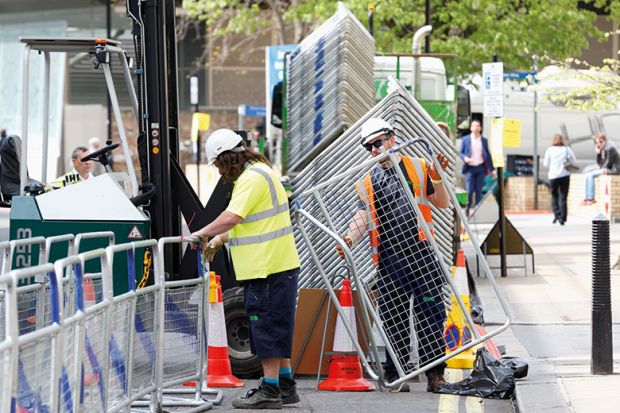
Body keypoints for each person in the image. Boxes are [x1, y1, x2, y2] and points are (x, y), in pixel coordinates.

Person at [336, 117, 450, 393]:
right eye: (369, 147)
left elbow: (442, 203)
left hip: (421, 253)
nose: (374, 150)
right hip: (389, 258)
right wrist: (350, 238)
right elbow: (362, 215)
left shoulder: (419, 167)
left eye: (377, 143)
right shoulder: (367, 181)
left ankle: (435, 375)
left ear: (391, 138)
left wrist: (437, 176)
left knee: (430, 315)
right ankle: (398, 374)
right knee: (393, 316)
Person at [189, 129, 300, 410]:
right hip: (276, 264)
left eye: (218, 164)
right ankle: (285, 385)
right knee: (276, 326)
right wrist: (219, 238)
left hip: (265, 266)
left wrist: (201, 233)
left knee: (264, 327)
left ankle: (270, 390)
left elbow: (233, 216)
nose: (218, 171)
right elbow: (249, 221)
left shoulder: (250, 179)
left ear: (228, 159)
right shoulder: (262, 171)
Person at [459, 120, 495, 214]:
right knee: (470, 190)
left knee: (478, 191)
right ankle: (468, 208)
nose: (476, 128)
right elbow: (461, 153)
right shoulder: (465, 139)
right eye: (474, 126)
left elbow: (488, 155)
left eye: (478, 126)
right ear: (471, 128)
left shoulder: (484, 140)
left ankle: (478, 210)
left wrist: (493, 170)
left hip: (480, 168)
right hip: (470, 168)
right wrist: (465, 158)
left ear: (480, 128)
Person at [543, 133, 576, 225]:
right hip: (565, 175)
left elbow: (546, 164)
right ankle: (563, 218)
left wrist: (553, 166)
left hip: (553, 176)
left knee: (554, 196)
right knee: (563, 197)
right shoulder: (566, 149)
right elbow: (574, 160)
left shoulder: (550, 150)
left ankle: (556, 214)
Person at [582, 133, 620, 205]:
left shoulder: (610, 148)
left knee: (591, 175)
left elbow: (608, 164)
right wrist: (598, 153)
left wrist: (602, 170)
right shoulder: (604, 149)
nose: (599, 144)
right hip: (608, 169)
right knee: (587, 175)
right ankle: (587, 198)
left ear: (605, 141)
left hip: (614, 170)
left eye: (601, 142)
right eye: (597, 142)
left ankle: (591, 198)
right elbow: (600, 164)